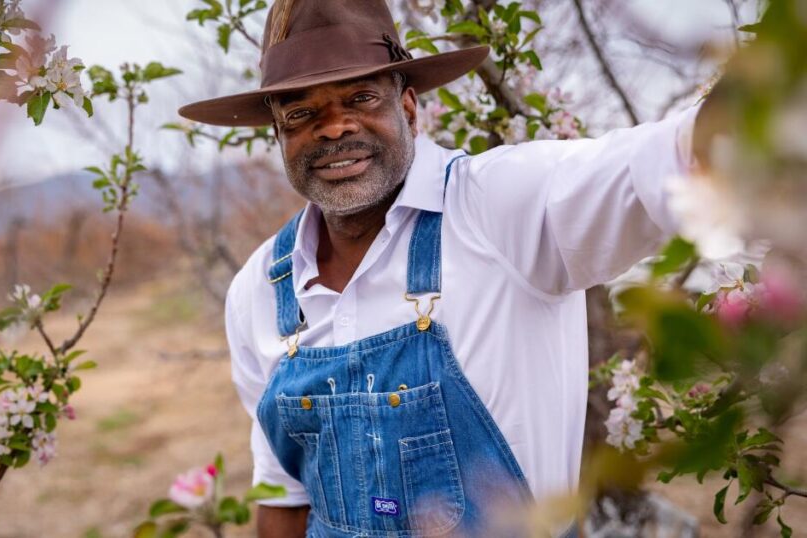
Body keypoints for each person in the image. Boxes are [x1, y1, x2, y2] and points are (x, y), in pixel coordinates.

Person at [179, 1, 707, 536]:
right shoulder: (258, 290)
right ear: (278, 133)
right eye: (300, 113)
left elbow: (664, 159)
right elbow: (285, 497)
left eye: (361, 97)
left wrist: (747, 109)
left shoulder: (501, 206)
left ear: (408, 108)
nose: (334, 128)